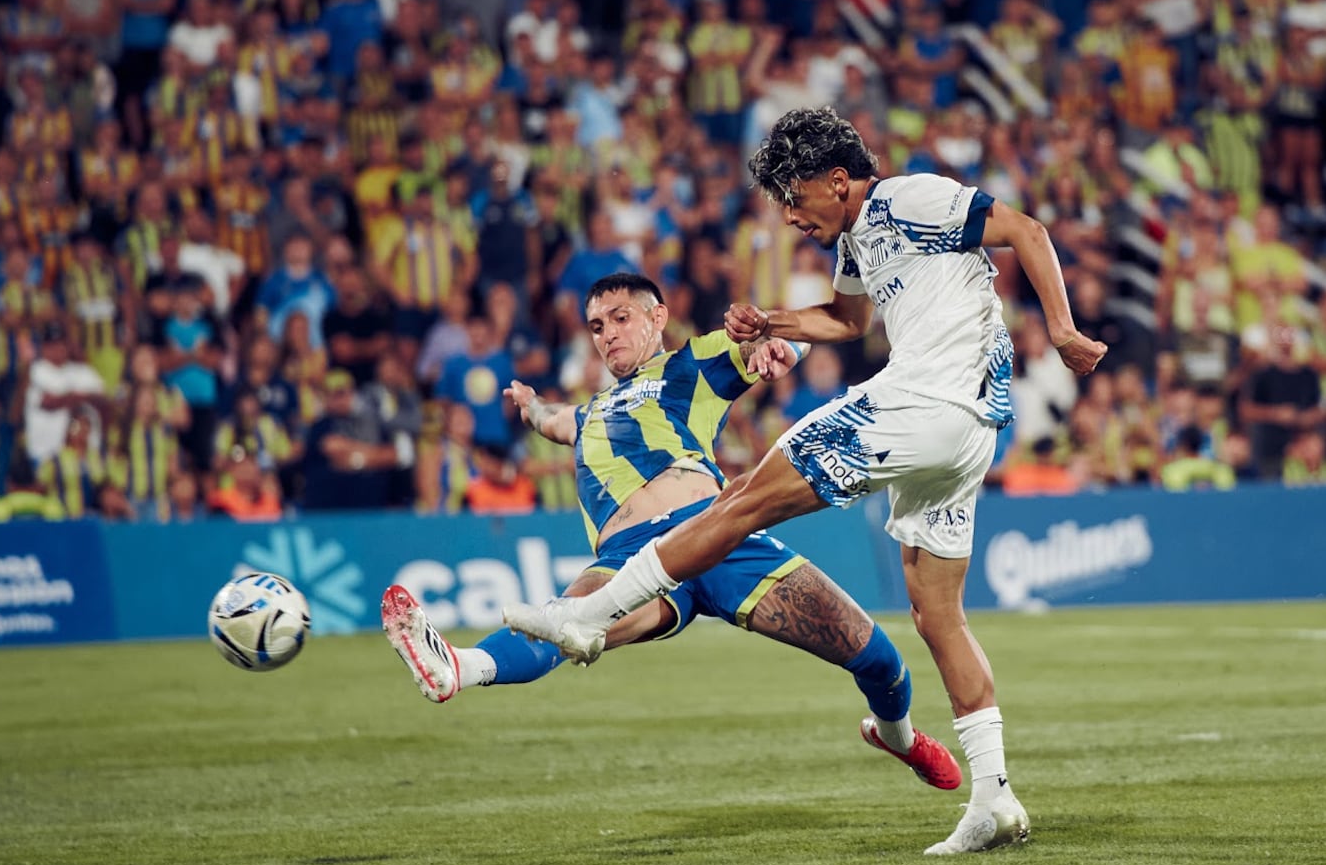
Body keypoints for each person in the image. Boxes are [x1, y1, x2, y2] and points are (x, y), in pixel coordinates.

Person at [505, 109, 1108, 855]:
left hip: (922, 400)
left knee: (738, 501)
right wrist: (772, 324)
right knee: (936, 615)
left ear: (839, 179)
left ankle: (588, 614)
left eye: (795, 197)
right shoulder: (858, 238)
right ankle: (995, 799)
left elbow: (1026, 230)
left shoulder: (909, 196)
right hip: (966, 433)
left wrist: (1062, 329)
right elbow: (848, 322)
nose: (790, 215)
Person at [382, 272, 962, 802]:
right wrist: (532, 407)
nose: (607, 335)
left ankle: (899, 737)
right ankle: (456, 666)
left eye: (620, 318)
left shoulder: (691, 365)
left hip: (719, 535)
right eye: (596, 327)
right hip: (628, 557)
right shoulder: (585, 416)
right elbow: (552, 419)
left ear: (657, 317)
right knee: (564, 624)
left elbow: (780, 337)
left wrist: (784, 348)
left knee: (877, 658)